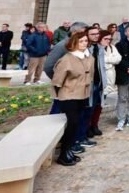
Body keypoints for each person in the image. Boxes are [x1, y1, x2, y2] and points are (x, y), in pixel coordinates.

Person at [52, 32, 94, 166]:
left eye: (86, 41)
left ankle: (69, 149)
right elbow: (57, 80)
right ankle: (63, 153)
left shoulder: (89, 57)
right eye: (81, 41)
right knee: (72, 122)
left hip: (83, 94)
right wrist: (60, 95)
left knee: (77, 123)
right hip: (69, 95)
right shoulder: (67, 59)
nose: (84, 43)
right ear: (74, 43)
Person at [86, 29, 108, 139]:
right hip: (90, 81)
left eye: (97, 34)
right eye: (93, 34)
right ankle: (87, 127)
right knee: (90, 105)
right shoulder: (86, 48)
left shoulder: (99, 48)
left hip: (100, 81)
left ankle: (94, 125)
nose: (96, 36)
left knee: (98, 105)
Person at [103, 32, 122, 96]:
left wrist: (107, 60)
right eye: (106, 39)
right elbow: (100, 61)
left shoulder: (112, 47)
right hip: (103, 74)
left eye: (109, 39)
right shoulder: (97, 48)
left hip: (112, 72)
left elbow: (118, 58)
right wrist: (111, 59)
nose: (108, 41)